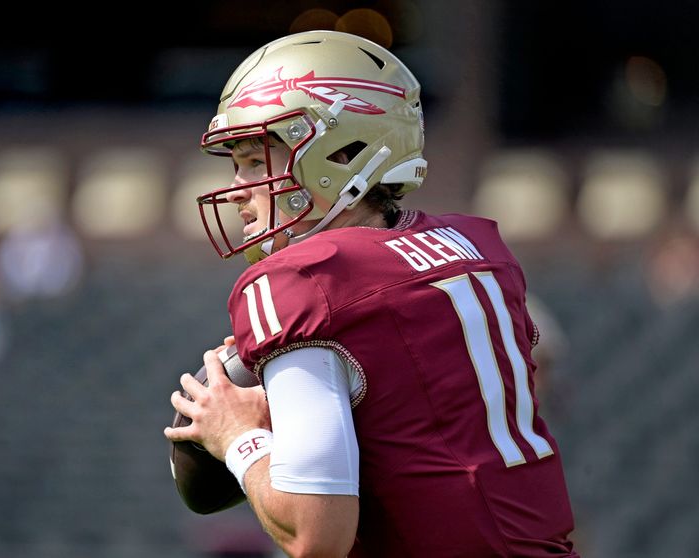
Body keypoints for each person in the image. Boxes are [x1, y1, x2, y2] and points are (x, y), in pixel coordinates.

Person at [165, 30, 579, 557]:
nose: (243, 190)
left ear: (337, 152)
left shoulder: (301, 280)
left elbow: (318, 537)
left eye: (255, 160)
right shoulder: (477, 247)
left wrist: (240, 438)